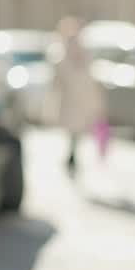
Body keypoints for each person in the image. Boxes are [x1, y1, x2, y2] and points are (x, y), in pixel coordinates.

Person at [45, 16, 108, 177]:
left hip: (82, 100)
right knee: (72, 130)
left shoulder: (84, 53)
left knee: (78, 130)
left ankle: (73, 155)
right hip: (69, 100)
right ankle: (71, 156)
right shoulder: (59, 54)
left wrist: (97, 103)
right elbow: (58, 79)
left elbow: (90, 79)